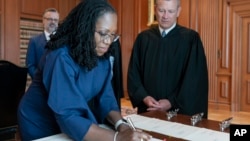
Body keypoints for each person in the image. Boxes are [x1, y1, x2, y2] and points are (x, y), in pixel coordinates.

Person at [18, 0, 152, 141]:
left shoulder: (102, 57)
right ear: (85, 28)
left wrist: (121, 125)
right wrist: (118, 138)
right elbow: (68, 114)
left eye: (112, 34)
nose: (107, 41)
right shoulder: (61, 56)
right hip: (40, 123)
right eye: (103, 33)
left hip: (72, 122)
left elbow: (106, 97)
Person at [127, 0, 209, 118]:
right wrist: (144, 97)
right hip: (148, 108)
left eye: (170, 11)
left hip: (178, 111)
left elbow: (194, 79)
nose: (165, 16)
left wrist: (171, 101)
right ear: (155, 9)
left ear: (178, 11)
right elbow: (133, 73)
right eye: (161, 10)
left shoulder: (191, 39)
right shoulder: (143, 39)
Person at [25, 8, 59, 79]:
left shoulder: (63, 41)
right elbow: (30, 65)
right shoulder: (34, 41)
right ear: (43, 20)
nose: (53, 22)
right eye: (49, 19)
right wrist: (40, 80)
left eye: (55, 20)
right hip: (40, 85)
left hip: (59, 85)